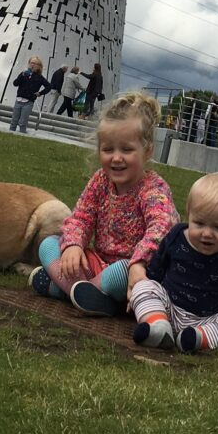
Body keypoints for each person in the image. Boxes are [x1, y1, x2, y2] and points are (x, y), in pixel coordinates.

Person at [29, 91, 178, 316]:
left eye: (127, 150)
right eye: (108, 149)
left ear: (147, 151)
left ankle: (67, 289)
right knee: (49, 244)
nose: (116, 157)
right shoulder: (100, 180)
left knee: (121, 272)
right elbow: (81, 217)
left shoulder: (153, 189)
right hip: (97, 264)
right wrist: (73, 245)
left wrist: (139, 262)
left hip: (136, 272)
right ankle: (87, 295)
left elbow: (161, 230)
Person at [129, 172, 218, 353]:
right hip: (168, 309)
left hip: (208, 320)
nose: (207, 233)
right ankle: (157, 326)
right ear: (189, 214)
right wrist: (143, 295)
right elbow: (156, 270)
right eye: (199, 223)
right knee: (143, 286)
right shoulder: (177, 236)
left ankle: (197, 339)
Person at [7, 56, 48, 133]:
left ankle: (21, 136)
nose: (33, 65)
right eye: (32, 63)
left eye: (36, 64)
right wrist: (22, 75)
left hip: (28, 102)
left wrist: (40, 93)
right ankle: (10, 135)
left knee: (22, 122)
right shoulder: (23, 74)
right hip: (19, 100)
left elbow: (49, 86)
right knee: (14, 121)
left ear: (39, 66)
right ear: (29, 64)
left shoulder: (39, 77)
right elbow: (15, 83)